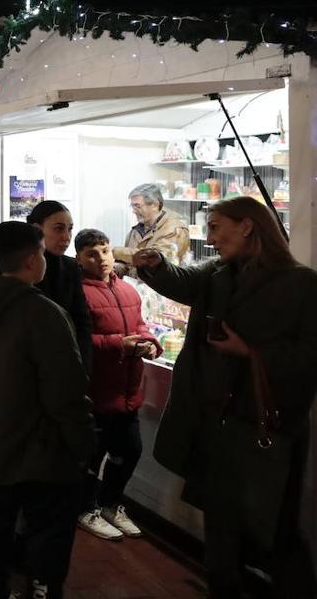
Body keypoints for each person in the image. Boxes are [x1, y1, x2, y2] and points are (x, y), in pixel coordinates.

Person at [131, 197, 317, 597]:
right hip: (217, 425)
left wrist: (250, 354)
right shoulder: (218, 274)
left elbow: (310, 355)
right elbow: (182, 281)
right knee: (222, 533)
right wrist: (156, 267)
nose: (210, 239)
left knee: (274, 532)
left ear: (248, 226)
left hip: (266, 428)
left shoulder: (301, 283)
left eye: (216, 228)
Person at [0, 221, 95, 599]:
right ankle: (42, 589)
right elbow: (66, 392)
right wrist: (83, 445)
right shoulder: (43, 314)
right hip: (39, 450)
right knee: (47, 533)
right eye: (43, 253)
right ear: (32, 260)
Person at [73, 228, 162, 541]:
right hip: (95, 392)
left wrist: (149, 342)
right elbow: (78, 341)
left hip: (127, 392)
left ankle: (110, 502)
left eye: (106, 251)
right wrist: (117, 345)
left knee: (130, 451)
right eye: (92, 254)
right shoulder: (77, 292)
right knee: (91, 458)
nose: (102, 259)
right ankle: (86, 509)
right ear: (79, 258)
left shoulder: (127, 290)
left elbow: (140, 325)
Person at [26, 200, 93, 375]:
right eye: (58, 228)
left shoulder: (70, 267)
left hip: (66, 364)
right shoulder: (20, 265)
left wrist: (82, 366)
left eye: (70, 229)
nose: (66, 237)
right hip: (28, 367)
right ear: (37, 229)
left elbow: (82, 320)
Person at [113, 183, 191, 275]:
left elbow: (153, 260)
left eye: (137, 206)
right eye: (132, 206)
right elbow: (127, 265)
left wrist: (115, 251)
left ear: (155, 205)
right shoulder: (135, 231)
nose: (133, 211)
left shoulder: (175, 230)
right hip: (137, 288)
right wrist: (112, 269)